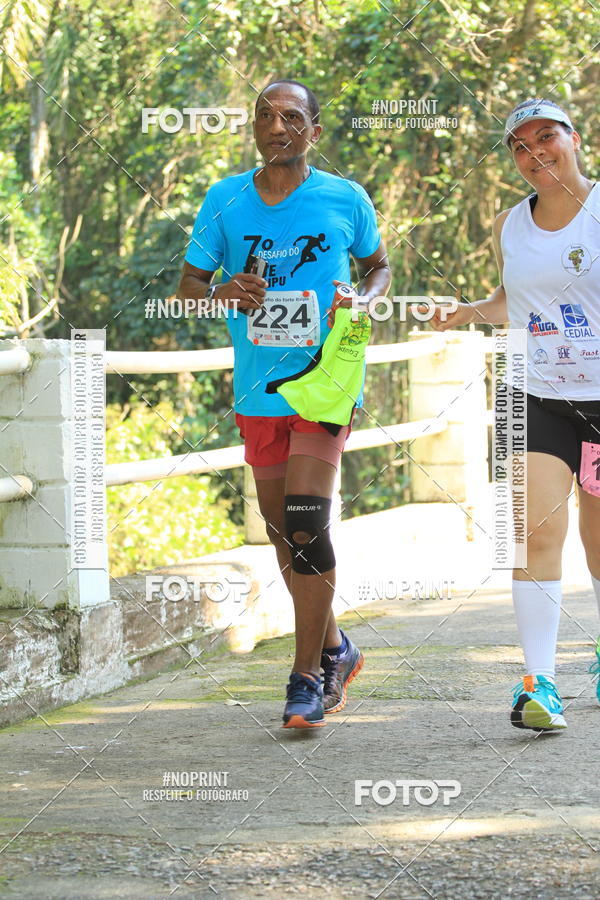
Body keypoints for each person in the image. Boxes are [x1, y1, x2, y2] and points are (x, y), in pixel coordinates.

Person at [177, 79, 391, 728]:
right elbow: (188, 290)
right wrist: (222, 293)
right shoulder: (224, 199)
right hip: (258, 388)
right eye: (266, 116)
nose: (277, 127)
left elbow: (378, 267)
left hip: (327, 379)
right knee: (280, 526)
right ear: (253, 129)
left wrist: (366, 299)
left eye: (292, 117)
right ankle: (337, 647)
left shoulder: (345, 197)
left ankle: (305, 679)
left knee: (305, 519)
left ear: (313, 132)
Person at [427, 98, 600, 731]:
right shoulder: (509, 224)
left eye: (546, 137)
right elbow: (512, 301)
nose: (535, 154)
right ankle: (539, 683)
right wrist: (466, 312)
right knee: (533, 531)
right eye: (520, 147)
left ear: (573, 139)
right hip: (535, 392)